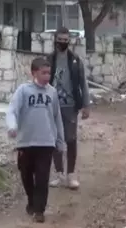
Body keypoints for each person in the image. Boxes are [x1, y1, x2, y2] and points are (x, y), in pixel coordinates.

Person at [6, 57, 65, 223]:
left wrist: (60, 141)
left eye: (49, 73)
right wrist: (12, 126)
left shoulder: (52, 92)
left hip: (46, 142)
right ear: (34, 73)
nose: (47, 76)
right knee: (26, 174)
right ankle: (31, 200)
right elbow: (12, 110)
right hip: (26, 142)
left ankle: (39, 210)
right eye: (43, 72)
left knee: (42, 177)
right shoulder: (24, 91)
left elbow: (57, 118)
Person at [47, 27, 91, 189]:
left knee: (71, 140)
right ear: (55, 39)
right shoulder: (49, 60)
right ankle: (59, 174)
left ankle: (71, 175)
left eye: (66, 40)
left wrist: (86, 105)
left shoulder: (75, 61)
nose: (63, 43)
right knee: (55, 140)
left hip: (70, 106)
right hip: (52, 106)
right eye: (60, 39)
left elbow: (83, 84)